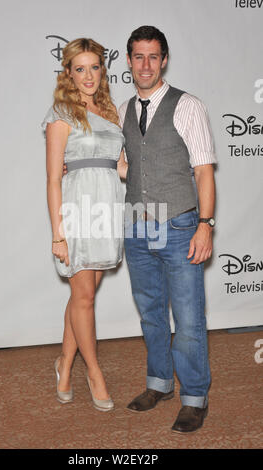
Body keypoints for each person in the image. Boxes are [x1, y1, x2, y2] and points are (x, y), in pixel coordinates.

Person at [119, 25, 217, 433]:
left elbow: (204, 172)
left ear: (164, 59)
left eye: (153, 56)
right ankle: (159, 383)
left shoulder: (187, 105)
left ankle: (194, 397)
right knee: (152, 315)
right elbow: (131, 167)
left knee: (189, 318)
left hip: (179, 225)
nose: (146, 64)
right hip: (137, 227)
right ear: (128, 61)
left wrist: (205, 225)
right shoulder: (125, 108)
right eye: (138, 57)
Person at [42, 38, 127, 412]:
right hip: (77, 211)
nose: (89, 75)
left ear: (102, 71)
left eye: (95, 67)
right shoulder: (61, 112)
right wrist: (58, 233)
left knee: (81, 296)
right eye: (81, 68)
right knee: (85, 298)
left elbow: (121, 166)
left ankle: (63, 366)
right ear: (68, 73)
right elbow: (53, 179)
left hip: (107, 209)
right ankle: (94, 372)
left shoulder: (110, 112)